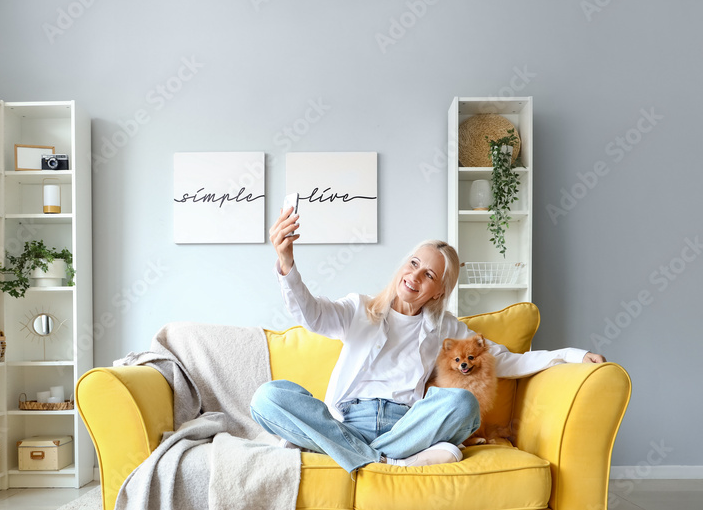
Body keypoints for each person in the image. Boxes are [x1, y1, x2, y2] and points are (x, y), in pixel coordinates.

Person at [249, 202, 606, 472]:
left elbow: (508, 360)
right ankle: (384, 462)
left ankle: (339, 452)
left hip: (408, 427)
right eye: (414, 263)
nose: (416, 276)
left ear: (437, 292)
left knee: (463, 404)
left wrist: (574, 355)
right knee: (268, 398)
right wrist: (285, 261)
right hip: (347, 421)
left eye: (430, 275)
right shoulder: (359, 309)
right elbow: (310, 313)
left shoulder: (446, 330)